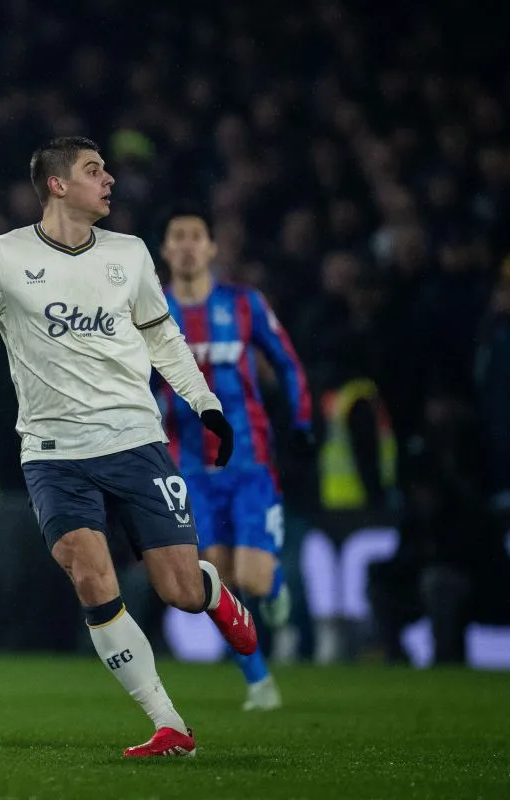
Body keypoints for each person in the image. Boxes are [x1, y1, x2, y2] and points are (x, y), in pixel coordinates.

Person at [0, 137, 256, 759]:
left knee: (180, 591)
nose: (109, 180)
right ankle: (169, 724)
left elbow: (163, 339)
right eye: (93, 170)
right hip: (52, 452)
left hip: (134, 439)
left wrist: (205, 404)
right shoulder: (1, 256)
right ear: (57, 185)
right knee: (90, 577)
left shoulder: (129, 255)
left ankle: (212, 591)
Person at [158, 205, 314, 710]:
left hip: (249, 463)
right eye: (178, 236)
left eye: (195, 236)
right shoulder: (151, 312)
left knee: (252, 579)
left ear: (211, 249)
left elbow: (287, 362)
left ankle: (274, 585)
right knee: (215, 580)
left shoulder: (244, 304)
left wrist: (303, 421)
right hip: (190, 470)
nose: (187, 245)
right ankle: (259, 681)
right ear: (165, 250)